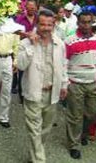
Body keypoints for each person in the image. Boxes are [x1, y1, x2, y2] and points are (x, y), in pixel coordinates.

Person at [17, 9, 68, 163]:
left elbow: (64, 65)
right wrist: (32, 46)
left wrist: (64, 84)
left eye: (49, 25)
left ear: (54, 25)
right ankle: (39, 159)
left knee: (45, 129)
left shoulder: (59, 43)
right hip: (33, 92)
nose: (46, 28)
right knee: (34, 130)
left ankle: (36, 153)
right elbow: (20, 65)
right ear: (37, 24)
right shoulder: (25, 43)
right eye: (42, 24)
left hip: (52, 93)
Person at [65, 11, 96, 159]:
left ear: (92, 23)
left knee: (94, 112)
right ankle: (74, 144)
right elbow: (62, 64)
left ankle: (83, 133)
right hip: (75, 83)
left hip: (93, 83)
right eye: (83, 22)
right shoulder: (69, 41)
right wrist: (65, 83)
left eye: (89, 22)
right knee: (75, 116)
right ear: (78, 23)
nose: (86, 25)